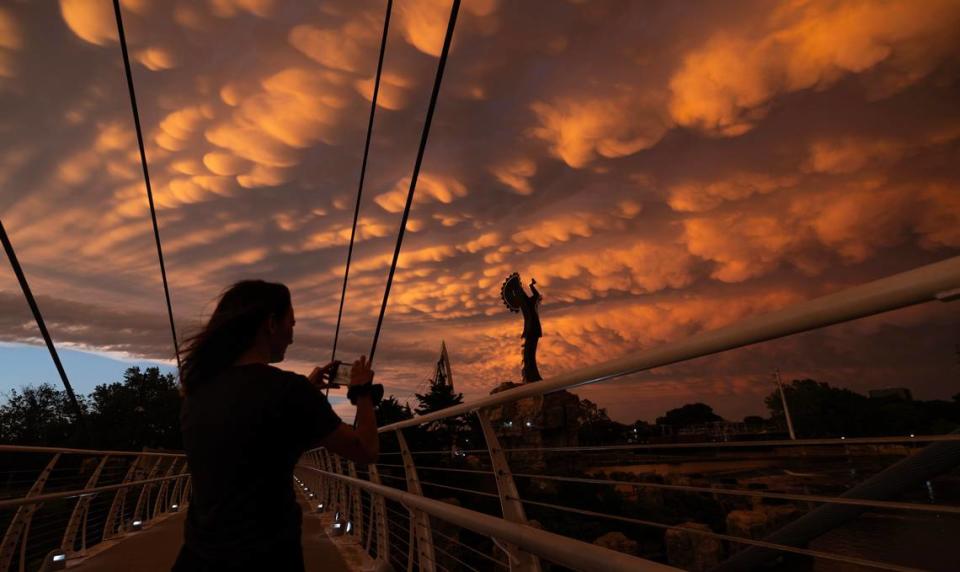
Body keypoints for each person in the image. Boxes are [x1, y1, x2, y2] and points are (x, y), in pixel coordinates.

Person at [172, 280, 379, 571]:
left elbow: (257, 433)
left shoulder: (197, 391)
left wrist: (306, 390)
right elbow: (366, 449)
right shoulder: (288, 391)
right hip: (266, 557)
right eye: (290, 324)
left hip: (197, 557)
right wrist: (363, 394)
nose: (292, 337)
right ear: (271, 324)